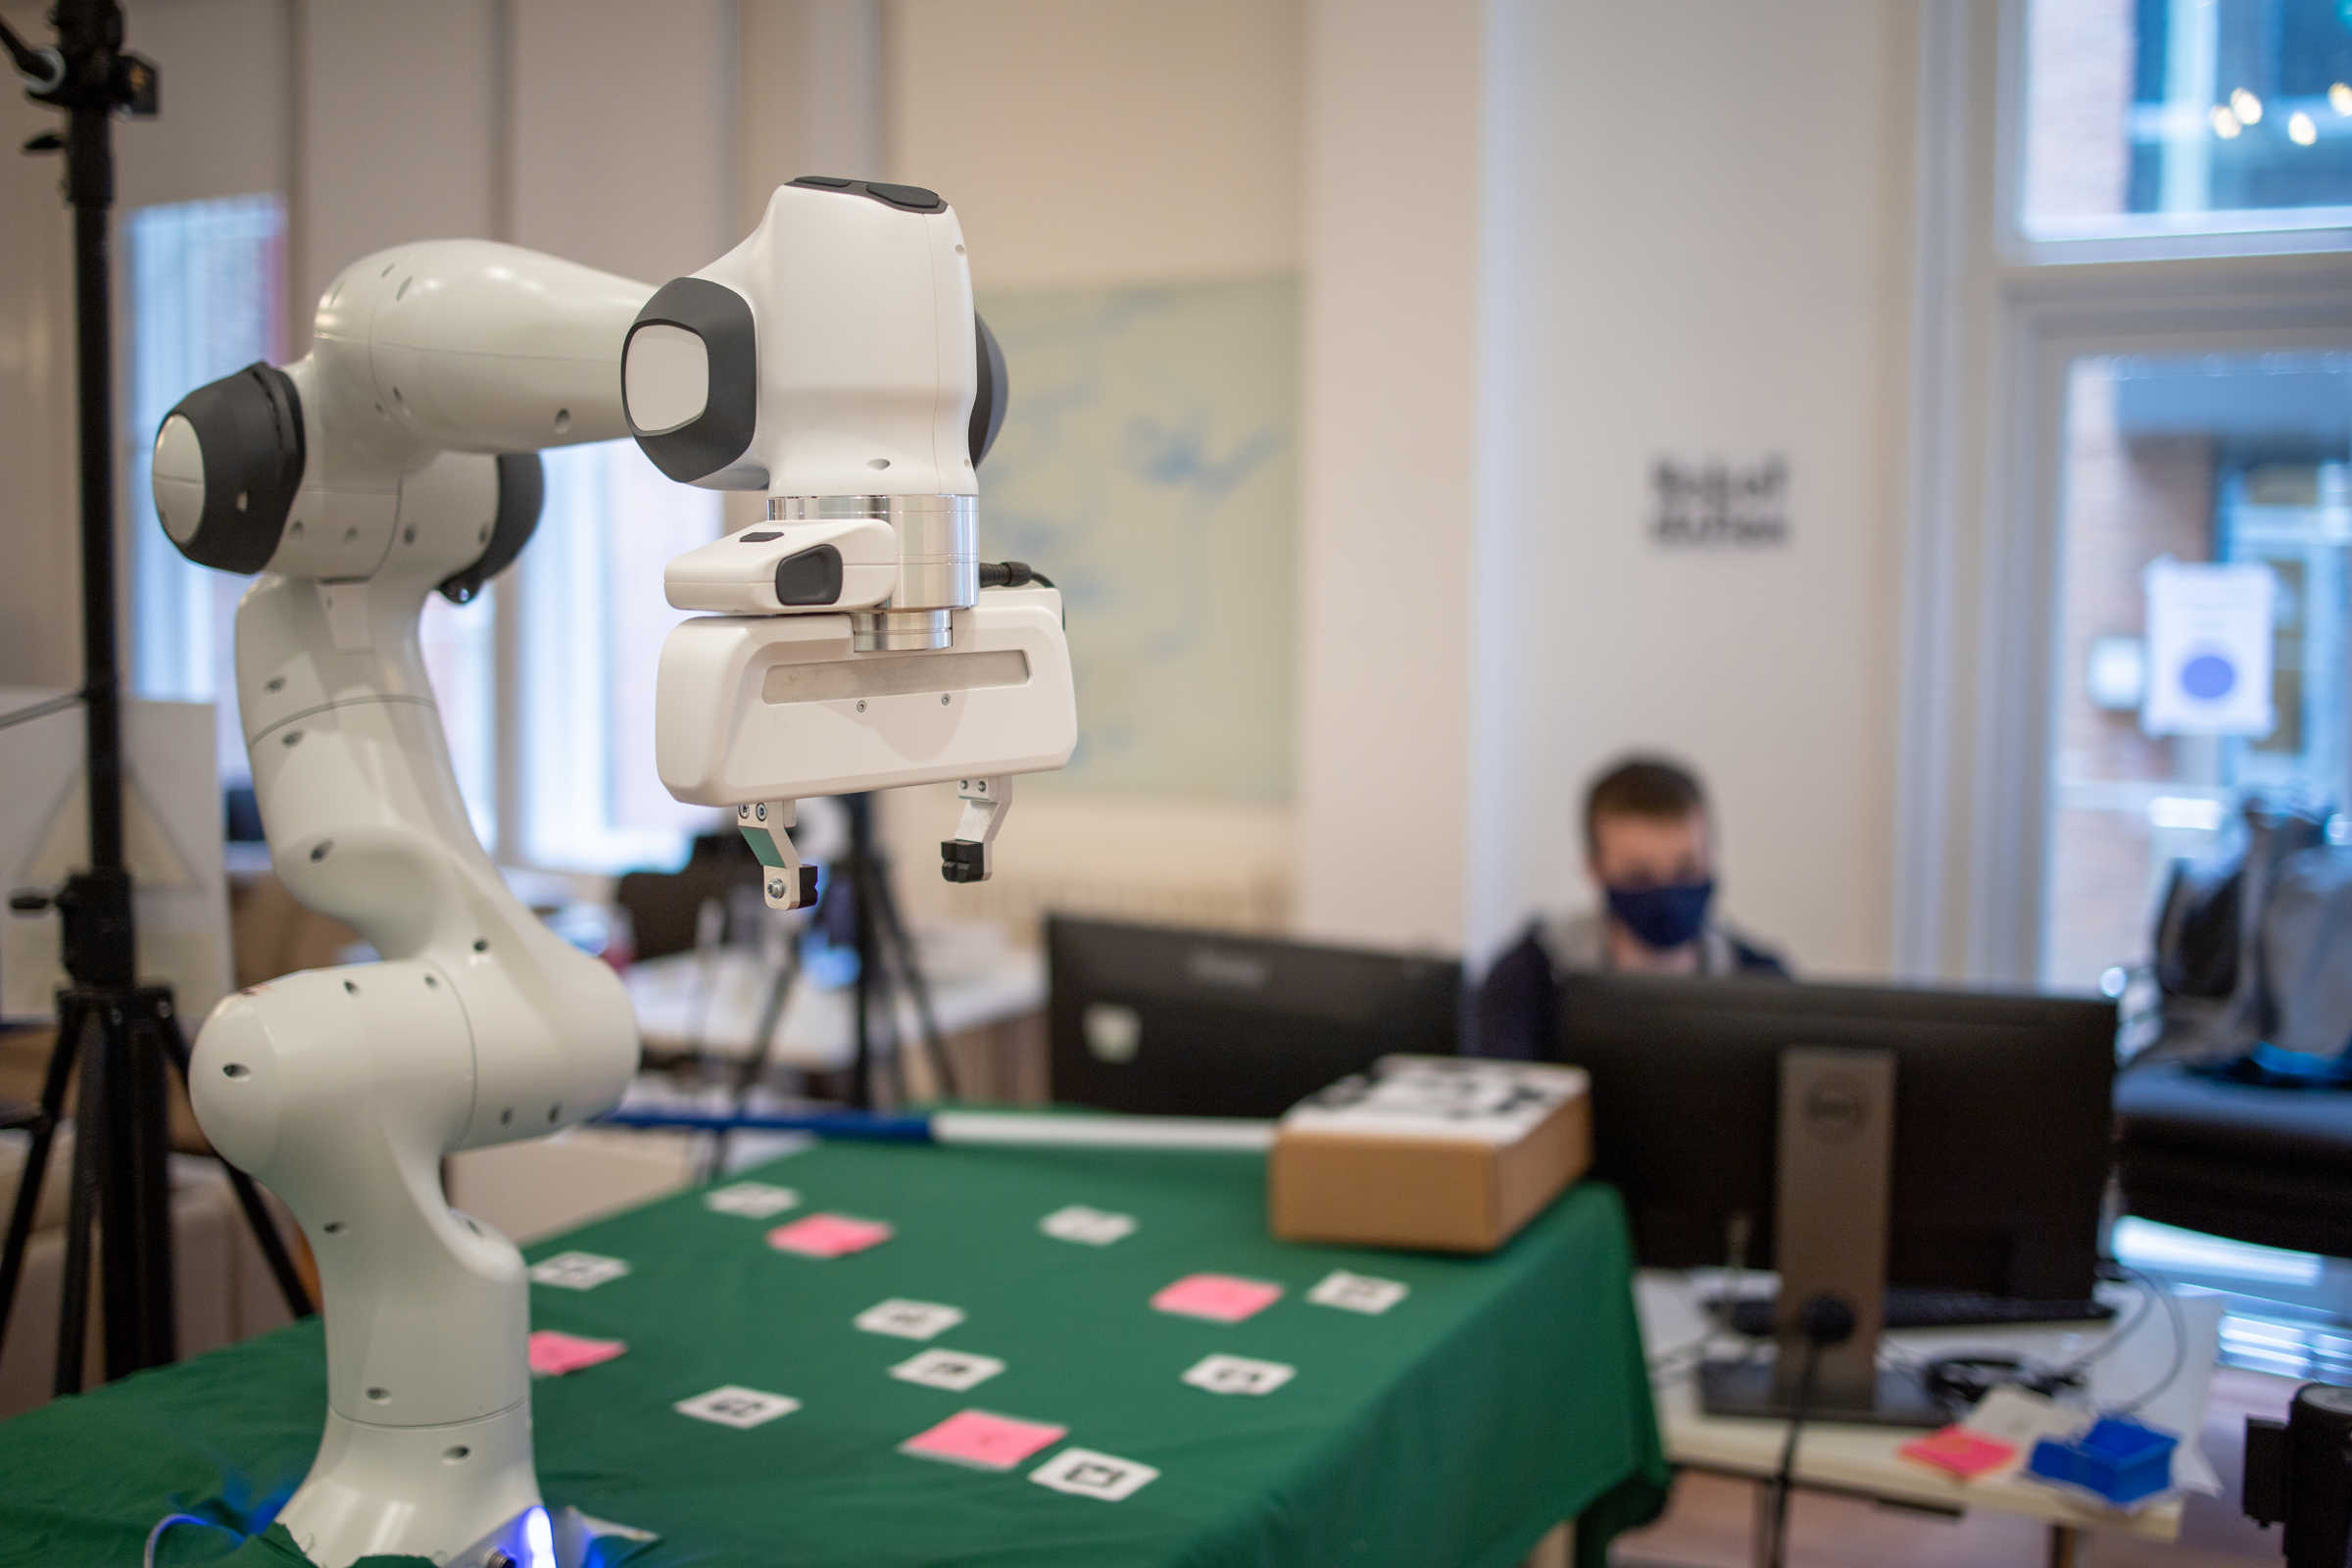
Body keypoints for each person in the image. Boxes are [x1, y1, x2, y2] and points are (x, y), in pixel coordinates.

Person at [1473, 755, 1788, 1059]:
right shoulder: (1530, 976)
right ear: (1595, 869)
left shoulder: (1763, 983)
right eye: (1639, 876)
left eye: (1686, 870)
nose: (1666, 891)